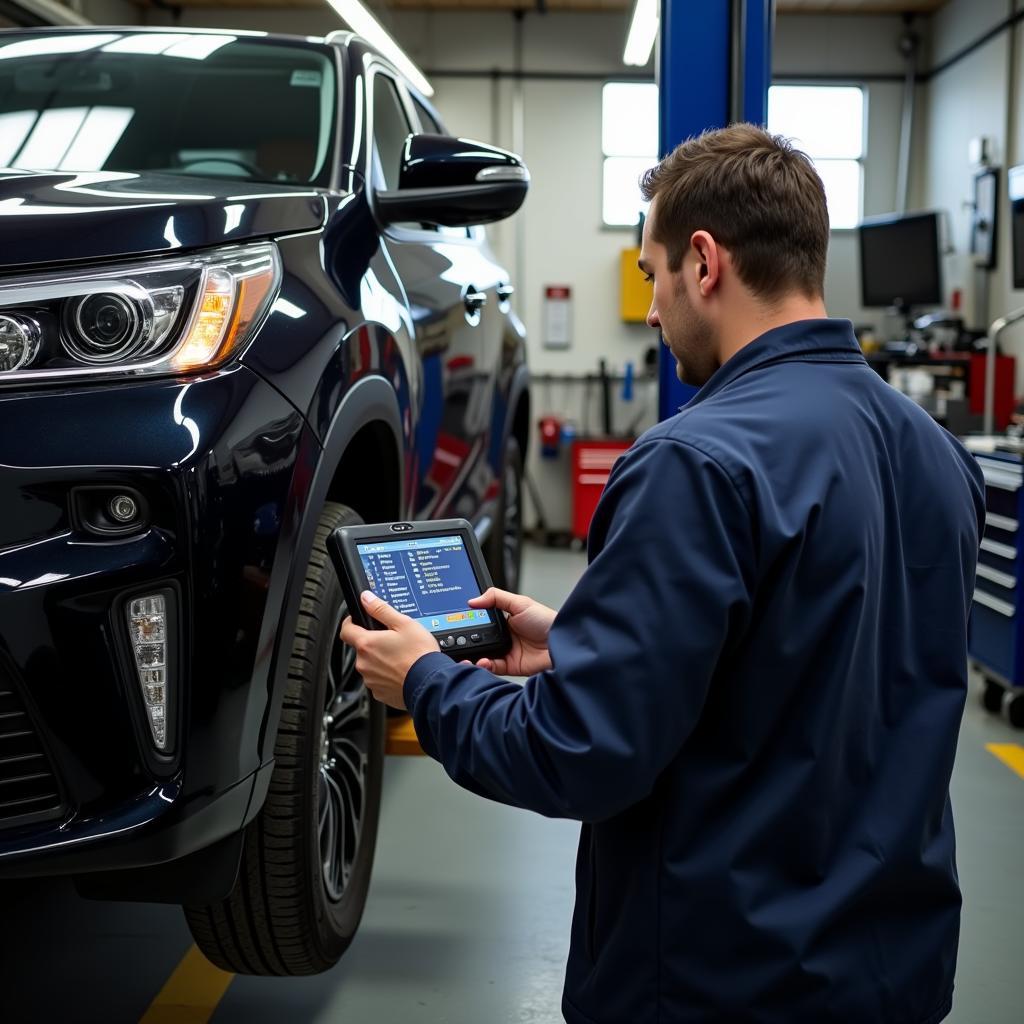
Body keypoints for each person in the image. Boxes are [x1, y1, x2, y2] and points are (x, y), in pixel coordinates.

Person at [340, 123, 985, 1023]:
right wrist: (580, 640)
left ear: (705, 263)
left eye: (652, 274)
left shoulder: (695, 462)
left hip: (721, 985)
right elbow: (816, 657)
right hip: (893, 978)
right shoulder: (938, 455)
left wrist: (426, 679)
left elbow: (579, 756)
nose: (649, 309)